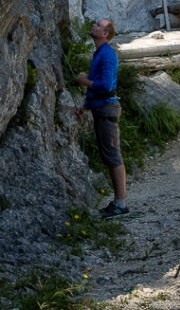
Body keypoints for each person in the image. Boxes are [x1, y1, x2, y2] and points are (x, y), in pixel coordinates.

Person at [76, 19, 128, 217]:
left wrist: (83, 82)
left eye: (98, 25)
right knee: (109, 155)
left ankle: (121, 205)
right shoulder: (99, 53)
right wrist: (85, 107)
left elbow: (105, 86)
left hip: (107, 110)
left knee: (113, 156)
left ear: (105, 34)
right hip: (102, 109)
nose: (94, 26)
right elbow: (100, 87)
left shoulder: (106, 54)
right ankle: (118, 202)